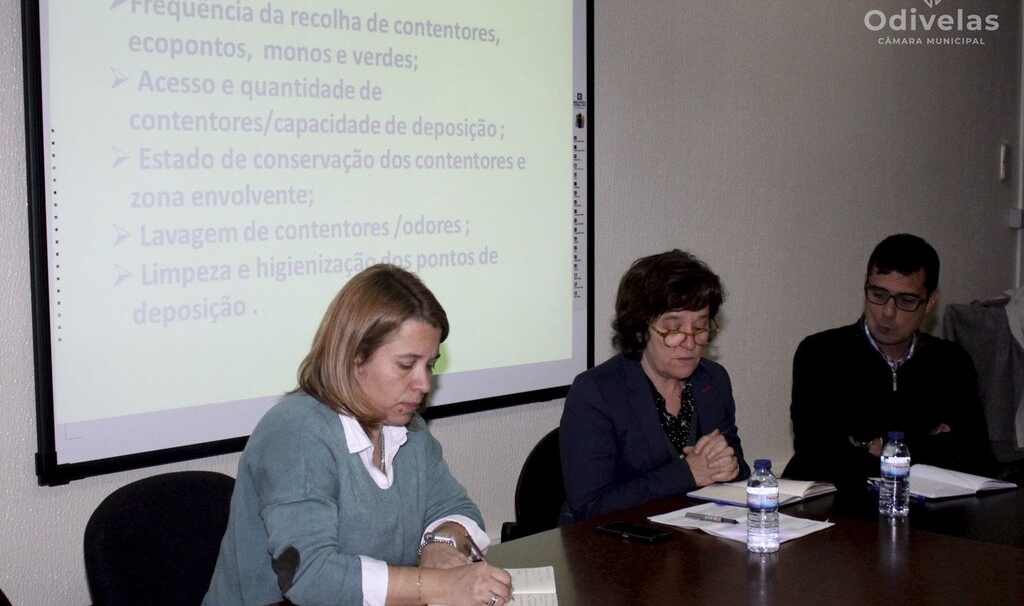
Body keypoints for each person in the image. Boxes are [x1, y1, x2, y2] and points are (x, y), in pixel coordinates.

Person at [204, 264, 512, 606]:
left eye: (430, 364)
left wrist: (440, 545)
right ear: (355, 358)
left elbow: (456, 507)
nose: (424, 384)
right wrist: (439, 585)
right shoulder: (296, 433)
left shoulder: (407, 427)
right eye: (406, 364)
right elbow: (311, 576)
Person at [784, 234, 992, 488]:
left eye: (906, 300)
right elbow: (819, 457)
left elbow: (976, 458)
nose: (887, 312)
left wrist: (878, 446)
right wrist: (930, 444)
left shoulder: (951, 362)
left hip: (928, 508)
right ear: (865, 284)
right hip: (840, 506)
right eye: (879, 294)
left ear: (930, 301)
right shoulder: (820, 353)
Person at [559, 249, 749, 523]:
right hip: (616, 540)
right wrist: (687, 473)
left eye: (700, 327)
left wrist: (730, 467)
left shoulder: (712, 380)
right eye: (673, 329)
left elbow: (738, 465)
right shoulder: (596, 392)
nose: (689, 342)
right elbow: (591, 506)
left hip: (695, 535)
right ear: (640, 331)